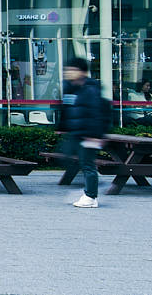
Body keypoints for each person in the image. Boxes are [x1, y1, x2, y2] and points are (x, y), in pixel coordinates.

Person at [60, 55, 109, 209]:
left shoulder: (90, 90)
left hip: (89, 133)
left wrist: (96, 135)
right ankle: (91, 188)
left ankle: (90, 196)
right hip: (76, 132)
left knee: (88, 164)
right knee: (67, 158)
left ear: (82, 72)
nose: (68, 73)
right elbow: (66, 108)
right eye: (67, 70)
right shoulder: (70, 87)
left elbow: (96, 113)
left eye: (72, 70)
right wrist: (61, 127)